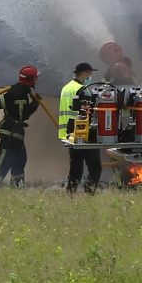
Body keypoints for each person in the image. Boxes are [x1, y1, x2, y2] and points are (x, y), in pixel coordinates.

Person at [58, 61, 101, 192]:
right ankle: (89, 193)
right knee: (95, 167)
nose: (90, 76)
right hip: (83, 133)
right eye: (89, 73)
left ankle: (70, 193)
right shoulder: (82, 90)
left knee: (76, 167)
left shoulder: (66, 87)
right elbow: (88, 112)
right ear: (83, 73)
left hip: (69, 134)